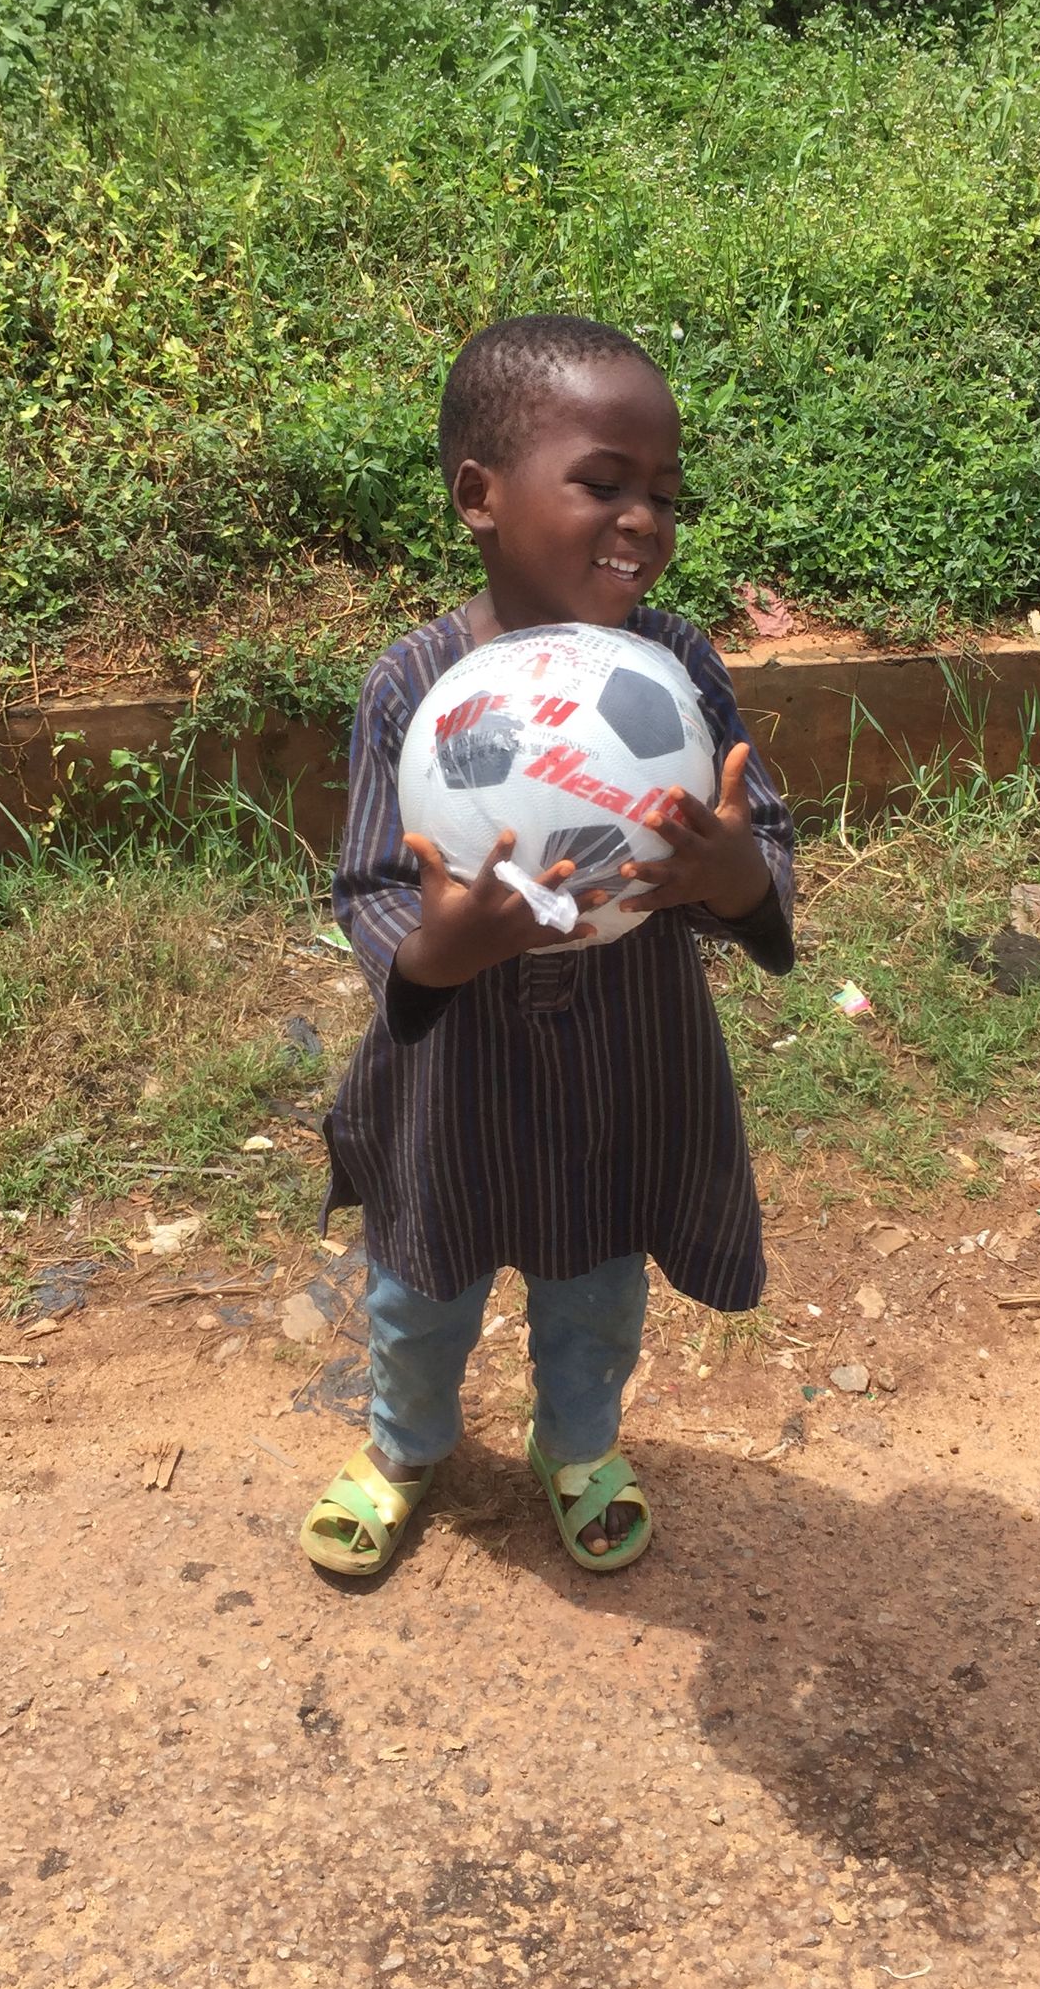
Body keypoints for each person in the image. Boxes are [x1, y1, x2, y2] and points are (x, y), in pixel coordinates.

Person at [299, 315, 795, 1577]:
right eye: (603, 483)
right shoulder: (415, 684)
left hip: (624, 1065)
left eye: (664, 495)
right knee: (420, 1290)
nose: (643, 521)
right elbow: (370, 883)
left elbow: (756, 831)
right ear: (481, 495)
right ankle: (405, 1443)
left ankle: (577, 1444)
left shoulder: (671, 666)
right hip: (451, 1079)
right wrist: (439, 948)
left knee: (598, 1287)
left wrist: (734, 874)